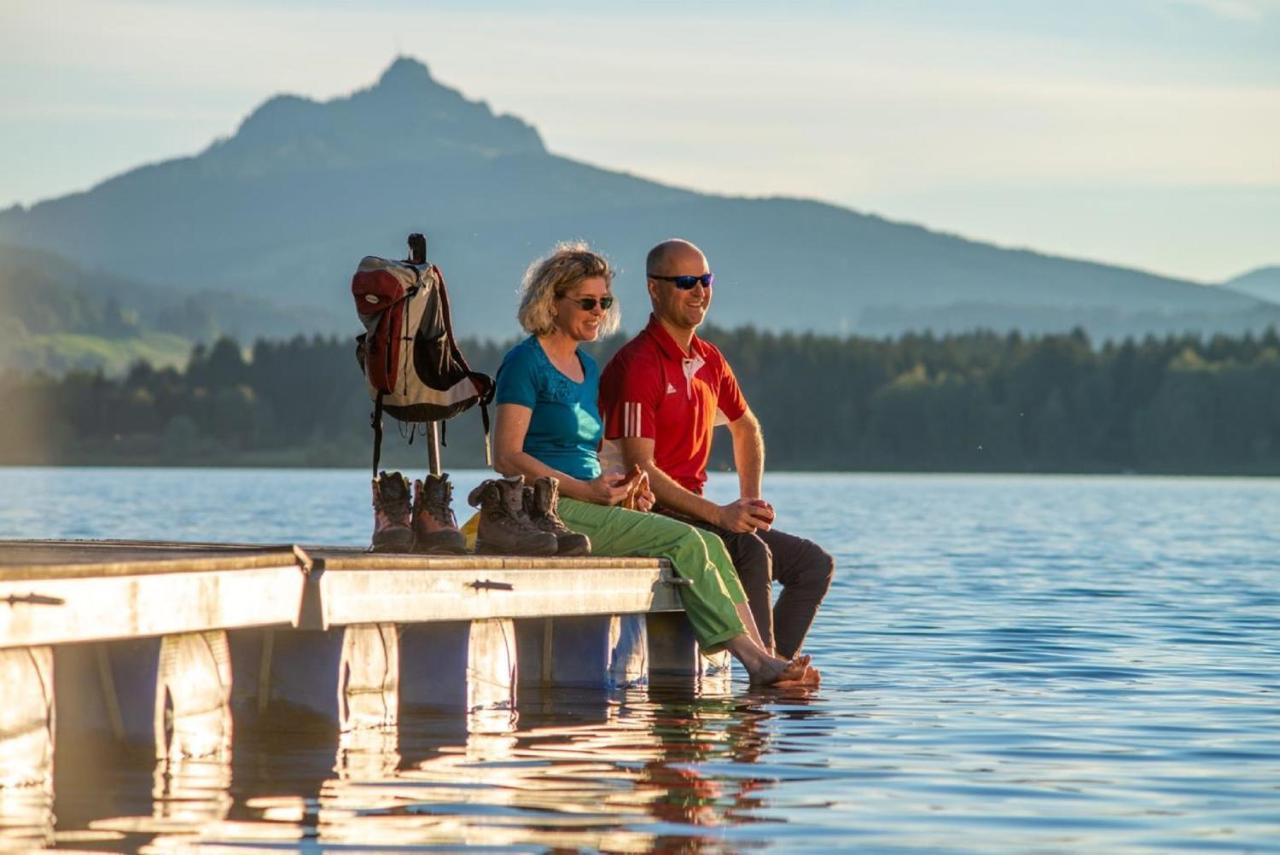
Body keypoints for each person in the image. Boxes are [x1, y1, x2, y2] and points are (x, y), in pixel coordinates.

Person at [490, 241, 818, 686]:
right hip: (548, 507)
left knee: (716, 545)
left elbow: (597, 454)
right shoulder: (524, 362)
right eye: (587, 302)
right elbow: (505, 456)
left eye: (604, 302)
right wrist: (587, 490)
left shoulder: (586, 367)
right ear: (552, 300)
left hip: (596, 500)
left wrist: (628, 490)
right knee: (687, 540)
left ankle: (762, 658)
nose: (598, 311)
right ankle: (757, 665)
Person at [599, 239, 834, 659]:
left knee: (812, 564)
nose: (699, 292)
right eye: (686, 281)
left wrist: (750, 502)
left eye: (705, 280)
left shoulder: (710, 360)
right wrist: (720, 515)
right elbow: (641, 470)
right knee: (749, 550)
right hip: (650, 511)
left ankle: (771, 666)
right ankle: (766, 670)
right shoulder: (638, 365)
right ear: (654, 288)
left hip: (699, 514)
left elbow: (746, 426)